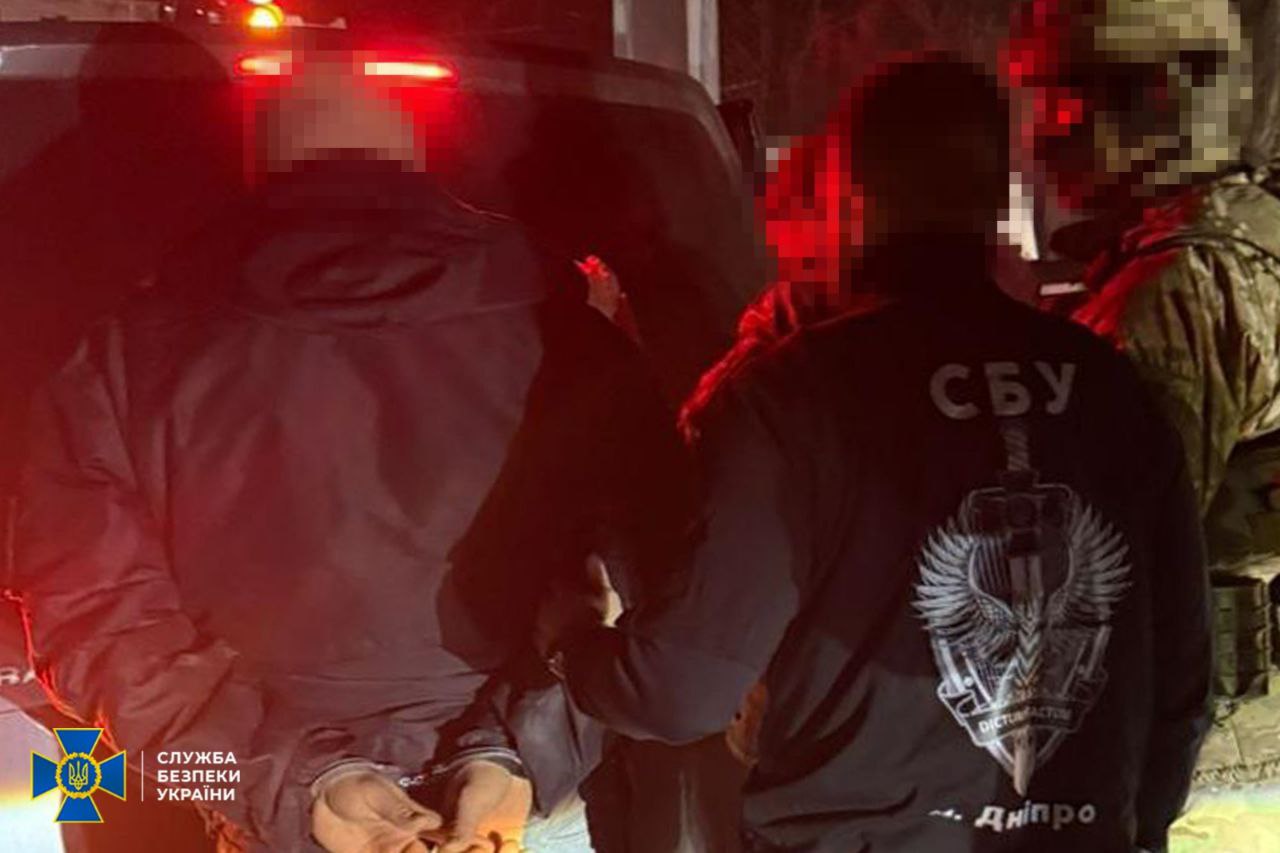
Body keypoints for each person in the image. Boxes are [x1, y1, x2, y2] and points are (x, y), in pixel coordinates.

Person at [530, 54, 1212, 853]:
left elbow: (678, 691)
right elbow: (1181, 678)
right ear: (999, 195)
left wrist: (569, 636)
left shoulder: (791, 399)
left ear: (852, 195)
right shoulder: (1112, 389)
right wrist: (1129, 825)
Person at [12, 50, 688, 853]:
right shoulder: (573, 341)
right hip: (515, 820)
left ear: (259, 168)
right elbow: (654, 588)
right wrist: (527, 757)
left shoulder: (127, 355)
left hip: (292, 826)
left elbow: (94, 626)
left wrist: (288, 789)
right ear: (419, 162)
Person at [1008, 0, 1280, 783]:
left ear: (1155, 100)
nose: (1040, 134)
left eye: (1062, 96)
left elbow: (1102, 573)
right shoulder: (1250, 229)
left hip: (1203, 764)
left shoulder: (1169, 290)